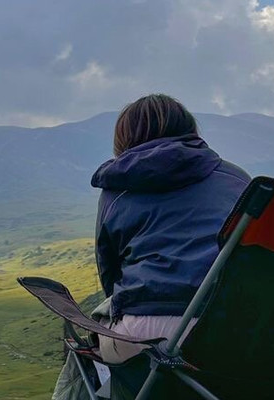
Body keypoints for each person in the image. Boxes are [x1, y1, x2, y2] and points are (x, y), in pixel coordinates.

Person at [91, 94, 249, 364]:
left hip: (141, 332)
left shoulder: (116, 191)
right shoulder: (236, 179)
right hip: (232, 326)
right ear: (189, 129)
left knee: (88, 344)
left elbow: (110, 273)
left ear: (124, 138)